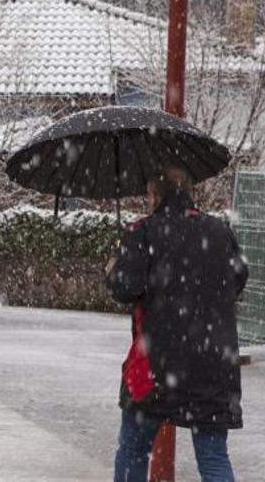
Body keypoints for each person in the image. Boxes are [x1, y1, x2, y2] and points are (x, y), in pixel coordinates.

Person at [107, 165, 248, 482]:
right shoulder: (220, 231)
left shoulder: (143, 231)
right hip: (213, 362)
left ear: (154, 193)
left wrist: (115, 266)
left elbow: (124, 288)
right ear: (189, 191)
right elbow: (238, 278)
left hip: (156, 362)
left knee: (133, 451)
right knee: (213, 457)